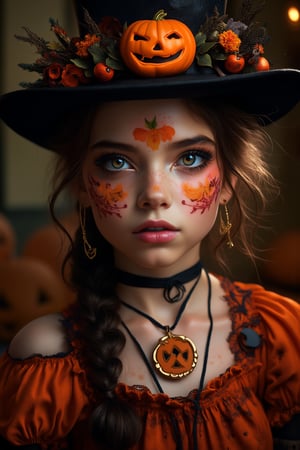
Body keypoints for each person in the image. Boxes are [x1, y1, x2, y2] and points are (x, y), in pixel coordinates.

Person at [0, 1, 299, 449]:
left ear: (228, 182)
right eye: (117, 161)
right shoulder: (48, 354)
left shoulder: (281, 335)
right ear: (82, 184)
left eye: (190, 158)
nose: (154, 193)